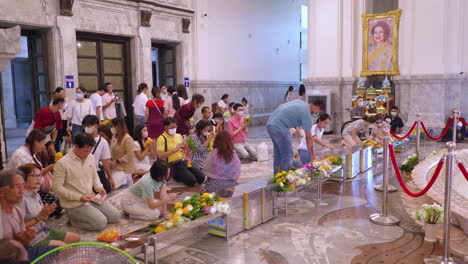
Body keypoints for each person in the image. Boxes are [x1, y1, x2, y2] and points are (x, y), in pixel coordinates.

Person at [53, 133, 120, 231]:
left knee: (115, 216)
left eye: (89, 151)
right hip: (74, 203)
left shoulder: (90, 157)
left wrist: (99, 187)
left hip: (90, 198)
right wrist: (79, 197)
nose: (87, 154)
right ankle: (73, 220)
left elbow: (94, 176)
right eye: (85, 151)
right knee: (100, 223)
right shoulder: (62, 163)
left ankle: (89, 214)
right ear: (76, 147)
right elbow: (56, 188)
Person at [0, 169, 58, 261]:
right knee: (62, 249)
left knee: (65, 249)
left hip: (22, 251)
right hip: (10, 259)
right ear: (2, 191)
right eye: (17, 187)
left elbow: (22, 239)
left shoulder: (17, 210)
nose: (21, 191)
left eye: (23, 186)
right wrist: (39, 217)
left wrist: (26, 238)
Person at [18, 164, 80, 247]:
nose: (39, 178)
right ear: (23, 179)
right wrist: (39, 217)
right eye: (33, 176)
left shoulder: (35, 194)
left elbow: (43, 218)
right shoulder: (20, 199)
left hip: (43, 230)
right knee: (64, 247)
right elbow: (18, 228)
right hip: (32, 239)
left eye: (39, 175)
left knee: (75, 238)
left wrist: (46, 213)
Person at [8, 130, 63, 218]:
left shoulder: (31, 153)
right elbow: (29, 176)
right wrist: (50, 167)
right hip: (23, 190)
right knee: (55, 204)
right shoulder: (21, 155)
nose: (43, 146)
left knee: (58, 202)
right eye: (42, 143)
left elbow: (36, 173)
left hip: (33, 189)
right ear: (36, 142)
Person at [267, 99, 317, 173]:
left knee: (278, 155)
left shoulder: (299, 102)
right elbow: (309, 138)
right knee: (287, 155)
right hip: (281, 128)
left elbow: (281, 106)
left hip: (270, 125)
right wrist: (312, 157)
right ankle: (285, 179)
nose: (317, 113)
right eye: (317, 111)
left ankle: (278, 179)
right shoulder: (307, 115)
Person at [156, 118, 205, 187]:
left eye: (175, 127)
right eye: (172, 127)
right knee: (191, 181)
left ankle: (184, 174)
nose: (174, 129)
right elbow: (160, 155)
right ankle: (175, 176)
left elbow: (183, 147)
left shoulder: (178, 136)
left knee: (201, 178)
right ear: (166, 127)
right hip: (173, 164)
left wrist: (186, 148)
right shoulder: (161, 138)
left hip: (184, 161)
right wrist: (174, 150)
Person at [202, 131, 241, 197]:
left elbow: (206, 169)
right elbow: (237, 171)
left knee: (203, 191)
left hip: (214, 187)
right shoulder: (233, 154)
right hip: (230, 187)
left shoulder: (213, 153)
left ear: (217, 140)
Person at [82, 115, 114, 192]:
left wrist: (110, 177)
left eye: (88, 125)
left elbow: (105, 161)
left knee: (106, 188)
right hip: (82, 170)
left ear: (96, 126)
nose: (86, 128)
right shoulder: (82, 139)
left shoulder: (103, 142)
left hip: (96, 171)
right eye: (84, 126)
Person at [109, 118, 135, 189]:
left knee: (112, 185)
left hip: (124, 167)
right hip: (114, 166)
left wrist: (117, 161)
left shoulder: (127, 138)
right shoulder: (114, 136)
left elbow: (129, 155)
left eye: (113, 126)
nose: (112, 128)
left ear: (118, 126)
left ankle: (126, 179)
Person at [52, 87, 69, 152]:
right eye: (61, 93)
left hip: (64, 120)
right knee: (57, 137)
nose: (63, 94)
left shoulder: (65, 100)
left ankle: (63, 151)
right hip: (58, 120)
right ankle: (56, 151)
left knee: (63, 137)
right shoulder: (54, 101)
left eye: (63, 93)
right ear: (57, 93)